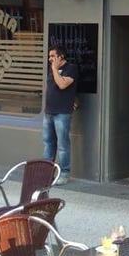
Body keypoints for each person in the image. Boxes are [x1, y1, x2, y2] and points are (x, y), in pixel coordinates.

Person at [44, 46, 78, 185]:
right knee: (48, 144)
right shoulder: (51, 69)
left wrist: (54, 69)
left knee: (63, 145)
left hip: (62, 113)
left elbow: (62, 85)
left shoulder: (71, 69)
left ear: (61, 56)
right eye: (49, 56)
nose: (50, 59)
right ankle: (46, 173)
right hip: (49, 112)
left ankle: (64, 173)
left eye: (53, 56)